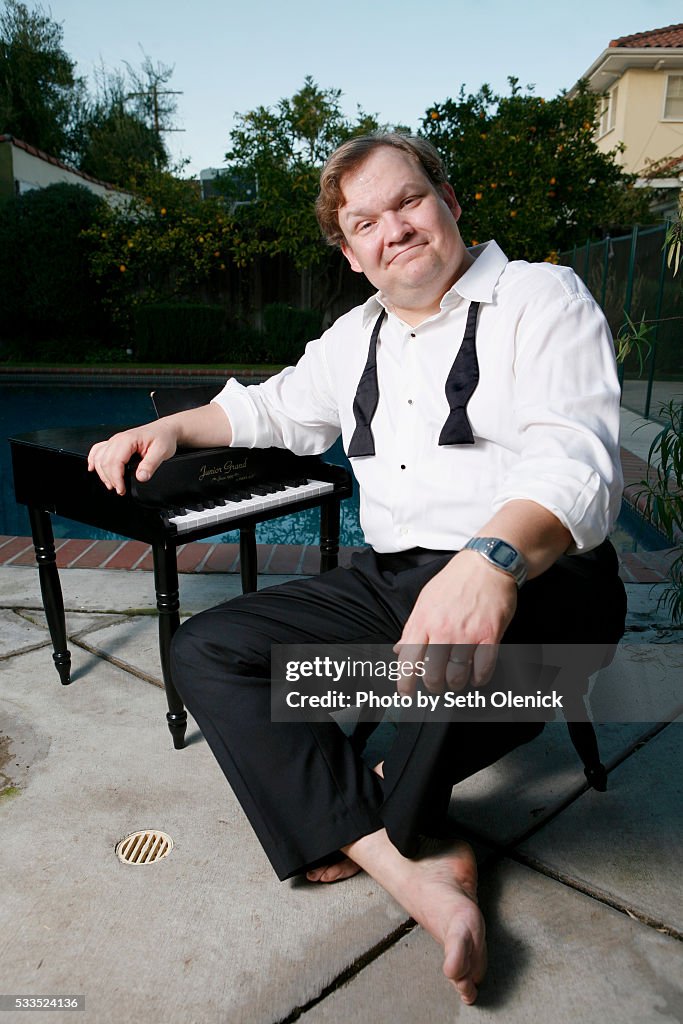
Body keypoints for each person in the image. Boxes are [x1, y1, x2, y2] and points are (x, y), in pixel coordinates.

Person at [88, 132, 627, 1005]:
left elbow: (575, 456)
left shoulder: (538, 296)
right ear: (349, 252)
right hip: (395, 584)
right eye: (365, 222)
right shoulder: (352, 337)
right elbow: (270, 409)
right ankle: (413, 864)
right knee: (206, 652)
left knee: (458, 670)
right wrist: (174, 429)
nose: (395, 230)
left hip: (541, 580)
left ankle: (383, 810)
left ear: (447, 201)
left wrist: (490, 560)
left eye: (408, 201)